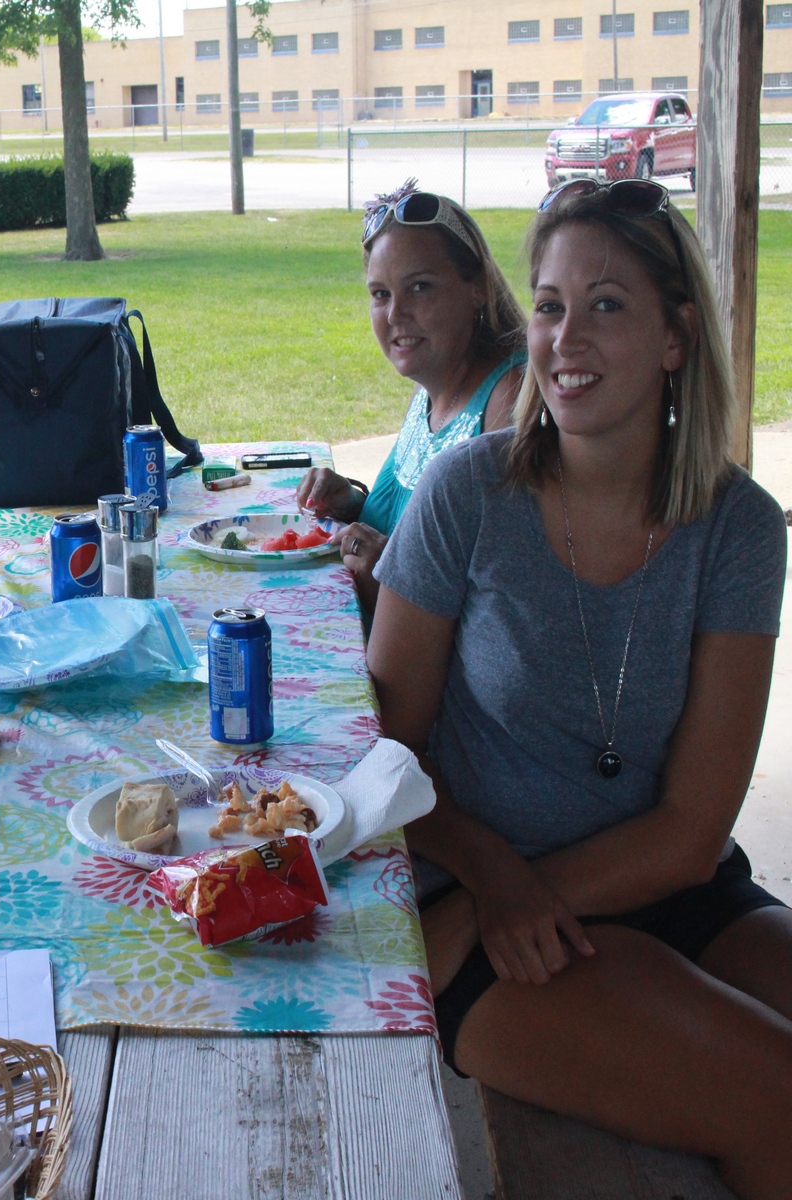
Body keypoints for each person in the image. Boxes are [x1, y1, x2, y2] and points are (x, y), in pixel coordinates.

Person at [368, 179, 792, 1196]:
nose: (565, 339)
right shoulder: (467, 493)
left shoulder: (738, 528)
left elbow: (690, 829)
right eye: (551, 305)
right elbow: (386, 753)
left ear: (676, 336)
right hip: (475, 899)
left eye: (605, 305)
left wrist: (533, 891)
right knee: (777, 1098)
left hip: (664, 883)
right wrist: (490, 881)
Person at [295, 182, 526, 619]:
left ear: (477, 287)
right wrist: (352, 506)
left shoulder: (508, 399)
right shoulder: (429, 388)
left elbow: (498, 610)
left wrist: (391, 574)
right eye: (380, 294)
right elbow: (417, 531)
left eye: (419, 287)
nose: (395, 313)